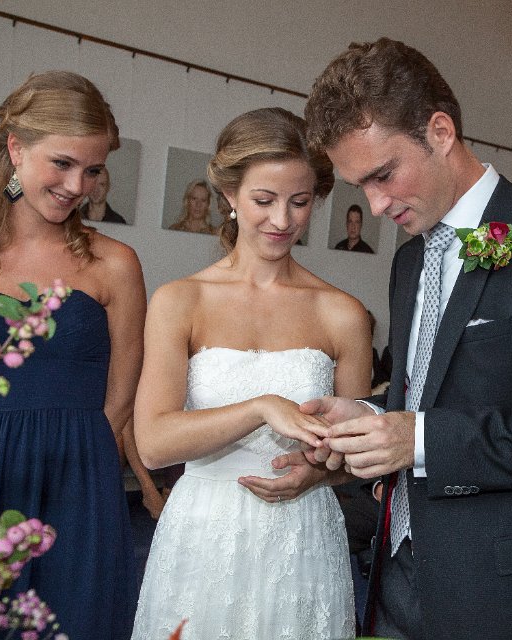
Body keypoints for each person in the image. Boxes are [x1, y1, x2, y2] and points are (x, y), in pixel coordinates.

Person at [302, 37, 512, 639]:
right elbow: (429, 397)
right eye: (360, 187)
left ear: (440, 131)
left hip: (507, 595)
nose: (375, 206)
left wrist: (421, 439)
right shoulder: (409, 261)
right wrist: (370, 419)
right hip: (396, 573)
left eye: (383, 175)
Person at [0, 71, 141, 639]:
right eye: (62, 163)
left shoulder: (116, 264)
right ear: (15, 148)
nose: (77, 185)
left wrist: (78, 472)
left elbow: (119, 402)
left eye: (92, 170)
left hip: (79, 491)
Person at [130, 107, 371, 640]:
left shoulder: (342, 313)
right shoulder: (180, 300)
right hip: (202, 533)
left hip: (303, 536)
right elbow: (153, 444)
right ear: (229, 195)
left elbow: (355, 453)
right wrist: (261, 407)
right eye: (264, 200)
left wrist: (321, 472)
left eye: (300, 202)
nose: (282, 220)